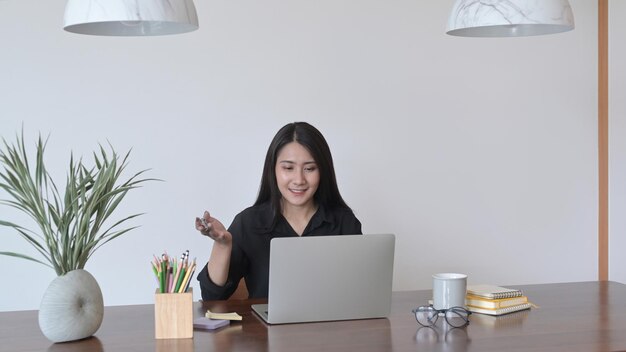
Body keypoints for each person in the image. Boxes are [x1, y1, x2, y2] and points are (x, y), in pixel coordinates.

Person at [195, 122, 362, 300]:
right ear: (273, 169)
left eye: (310, 169)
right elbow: (211, 298)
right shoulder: (249, 222)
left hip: (332, 327)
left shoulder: (344, 222)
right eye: (288, 168)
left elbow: (361, 291)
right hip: (266, 328)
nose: (299, 180)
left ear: (323, 171)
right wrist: (222, 245)